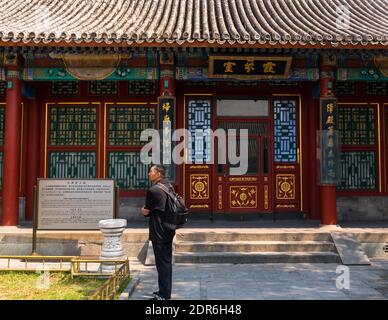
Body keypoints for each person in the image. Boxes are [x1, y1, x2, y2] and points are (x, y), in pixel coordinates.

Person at [141, 164, 175, 300]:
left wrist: (143, 210)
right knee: (166, 262)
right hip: (169, 229)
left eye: (151, 172)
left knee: (162, 264)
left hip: (158, 230)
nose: (149, 174)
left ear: (158, 174)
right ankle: (165, 291)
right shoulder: (169, 186)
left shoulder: (154, 190)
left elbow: (147, 210)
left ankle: (164, 295)